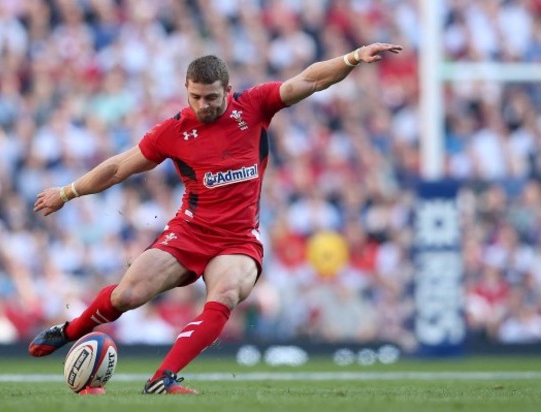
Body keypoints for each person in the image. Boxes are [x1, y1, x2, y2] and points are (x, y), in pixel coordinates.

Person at [28, 43, 403, 394]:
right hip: (189, 232)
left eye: (211, 97)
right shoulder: (173, 131)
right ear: (186, 90)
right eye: (195, 97)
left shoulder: (254, 106)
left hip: (239, 240)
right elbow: (117, 168)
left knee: (225, 293)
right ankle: (70, 330)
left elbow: (309, 79)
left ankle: (163, 378)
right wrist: (67, 192)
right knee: (128, 295)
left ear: (228, 89)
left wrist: (352, 58)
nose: (203, 105)